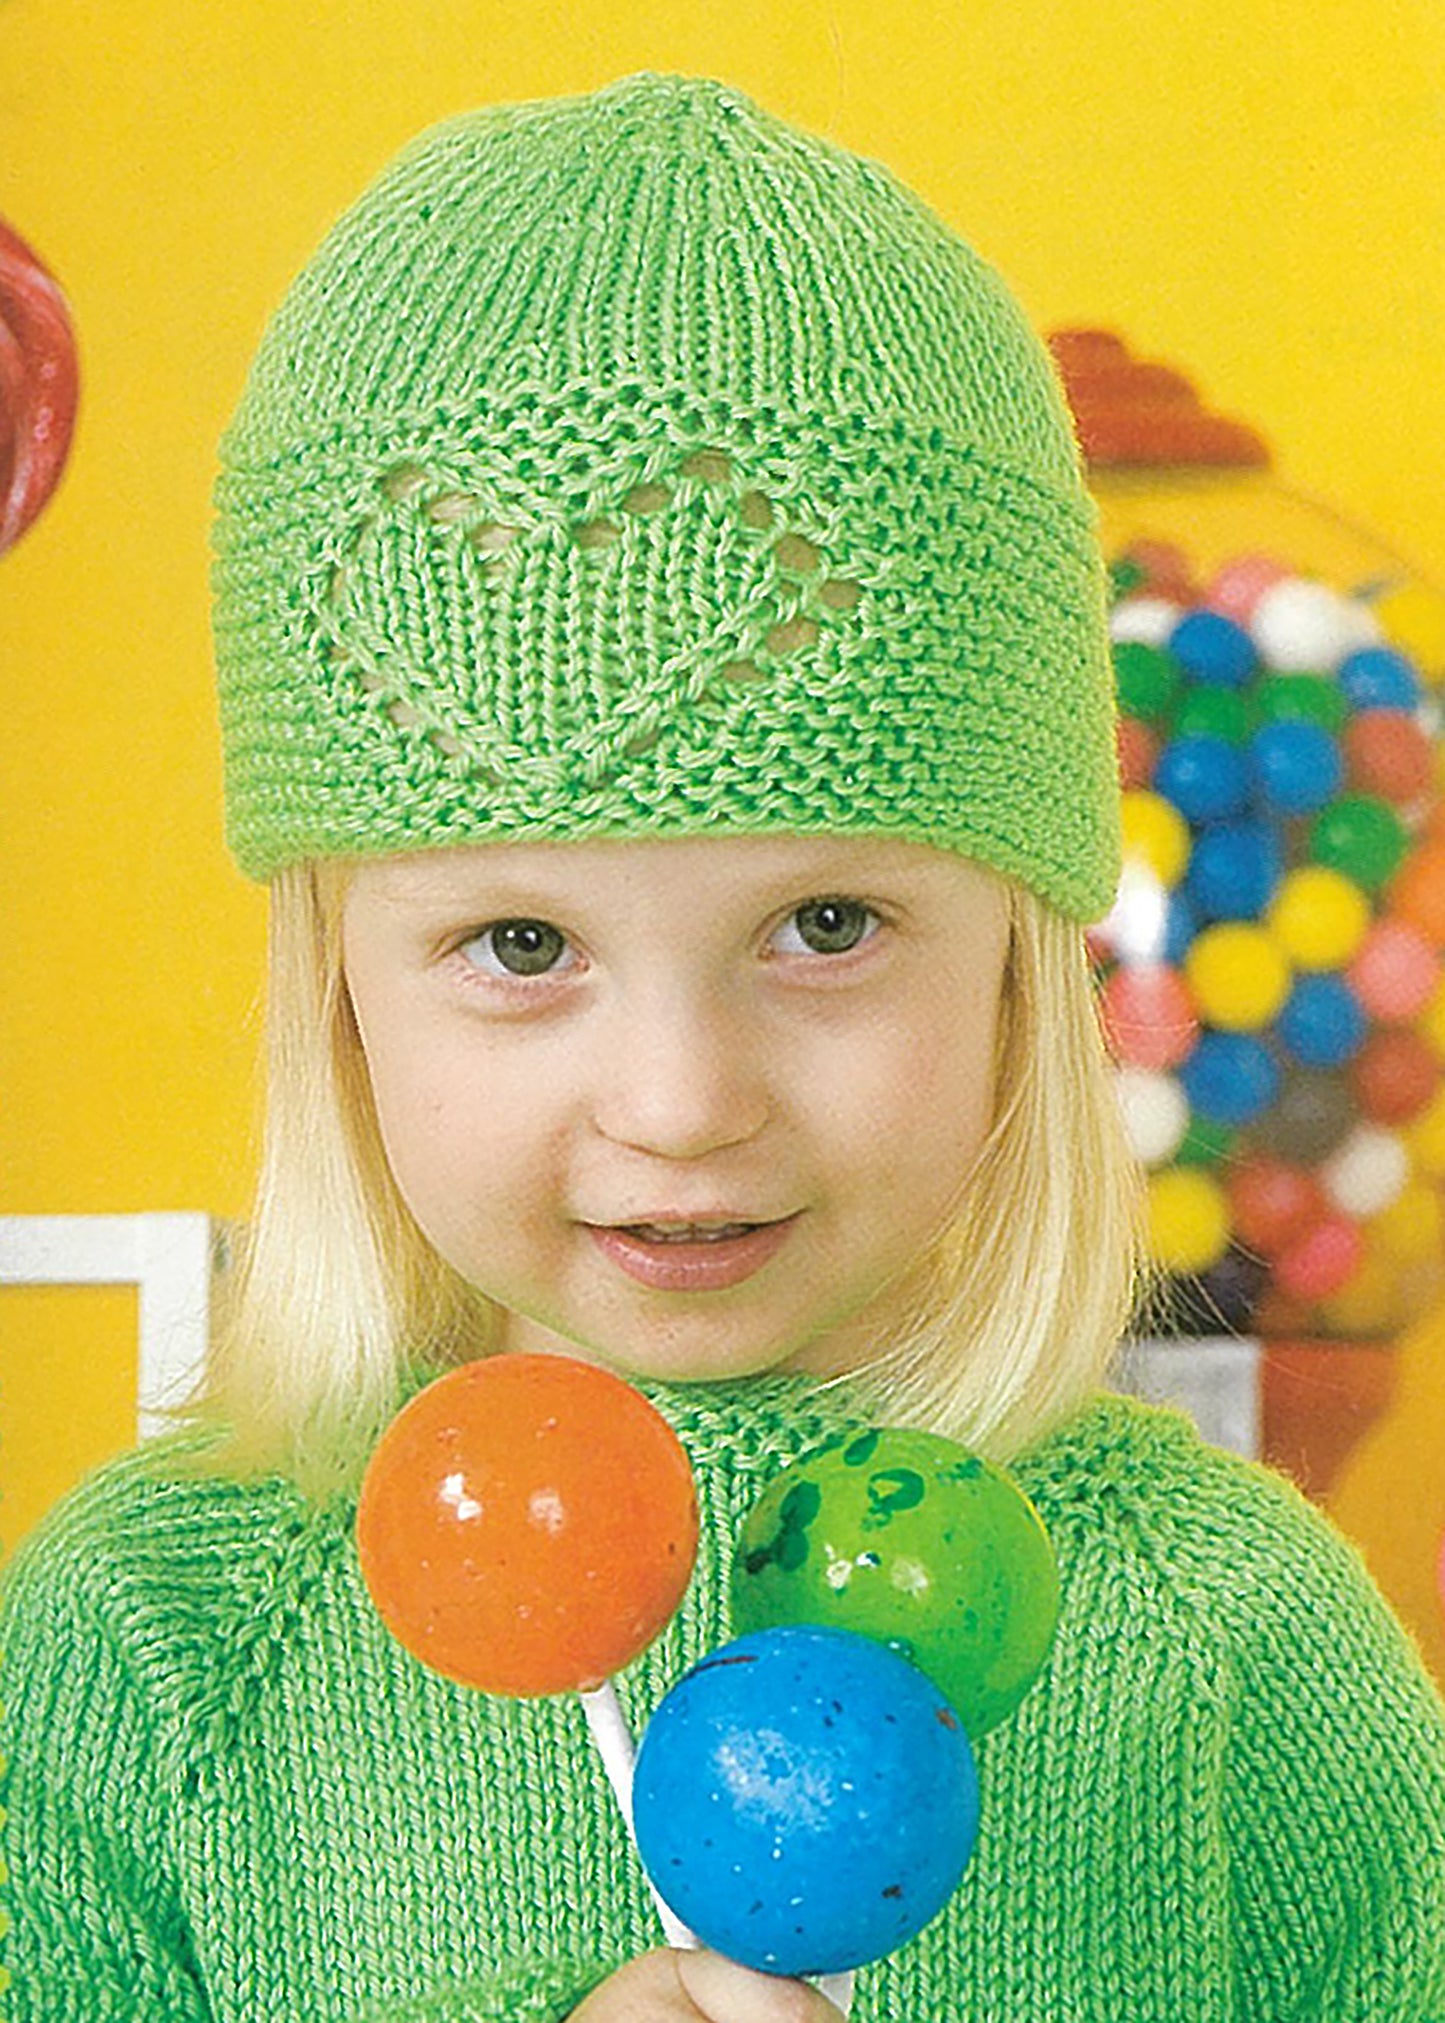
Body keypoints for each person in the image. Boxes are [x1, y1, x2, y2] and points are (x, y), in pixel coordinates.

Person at [2, 67, 1443, 2023]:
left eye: (826, 927)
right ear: (334, 975)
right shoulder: (145, 1643)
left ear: (1024, 957)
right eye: (522, 942)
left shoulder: (1241, 1651)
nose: (682, 1104)